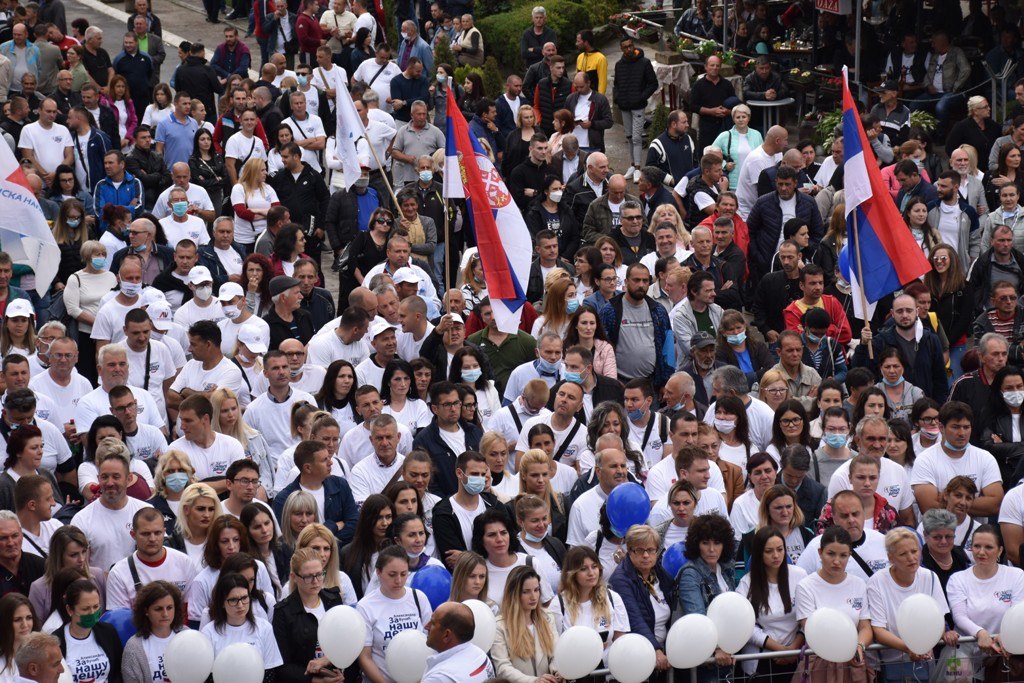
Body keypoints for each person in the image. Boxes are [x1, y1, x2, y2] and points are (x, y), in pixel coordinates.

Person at [948, 525, 1024, 677]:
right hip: (964, 653)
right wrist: (980, 633)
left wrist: (1006, 634)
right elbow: (959, 616)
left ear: (1000, 550)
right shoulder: (957, 579)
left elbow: (1017, 612)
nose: (981, 552)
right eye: (976, 546)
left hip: (1003, 652)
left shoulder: (1016, 575)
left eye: (988, 547)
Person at [356, 545, 432, 683]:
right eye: (392, 575)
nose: (398, 580)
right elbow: (364, 657)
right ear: (378, 572)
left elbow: (431, 644)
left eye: (404, 574)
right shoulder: (365, 606)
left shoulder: (419, 598)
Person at [608, 524, 673, 676]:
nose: (646, 555)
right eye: (639, 550)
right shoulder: (621, 580)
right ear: (629, 551)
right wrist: (655, 649)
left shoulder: (659, 574)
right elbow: (635, 619)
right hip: (640, 656)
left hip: (664, 654)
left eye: (651, 550)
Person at [489, 565, 558, 683]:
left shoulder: (547, 617)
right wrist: (534, 681)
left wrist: (557, 671)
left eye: (536, 590)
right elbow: (503, 667)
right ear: (513, 594)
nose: (533, 597)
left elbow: (556, 653)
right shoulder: (499, 626)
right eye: (526, 592)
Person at [55, 578, 122, 683]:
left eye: (96, 607)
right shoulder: (56, 640)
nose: (92, 612)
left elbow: (118, 672)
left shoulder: (108, 632)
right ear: (69, 610)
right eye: (85, 609)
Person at [120, 581, 185, 683]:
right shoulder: (134, 648)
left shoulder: (187, 635)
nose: (165, 614)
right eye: (158, 609)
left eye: (169, 607)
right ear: (146, 611)